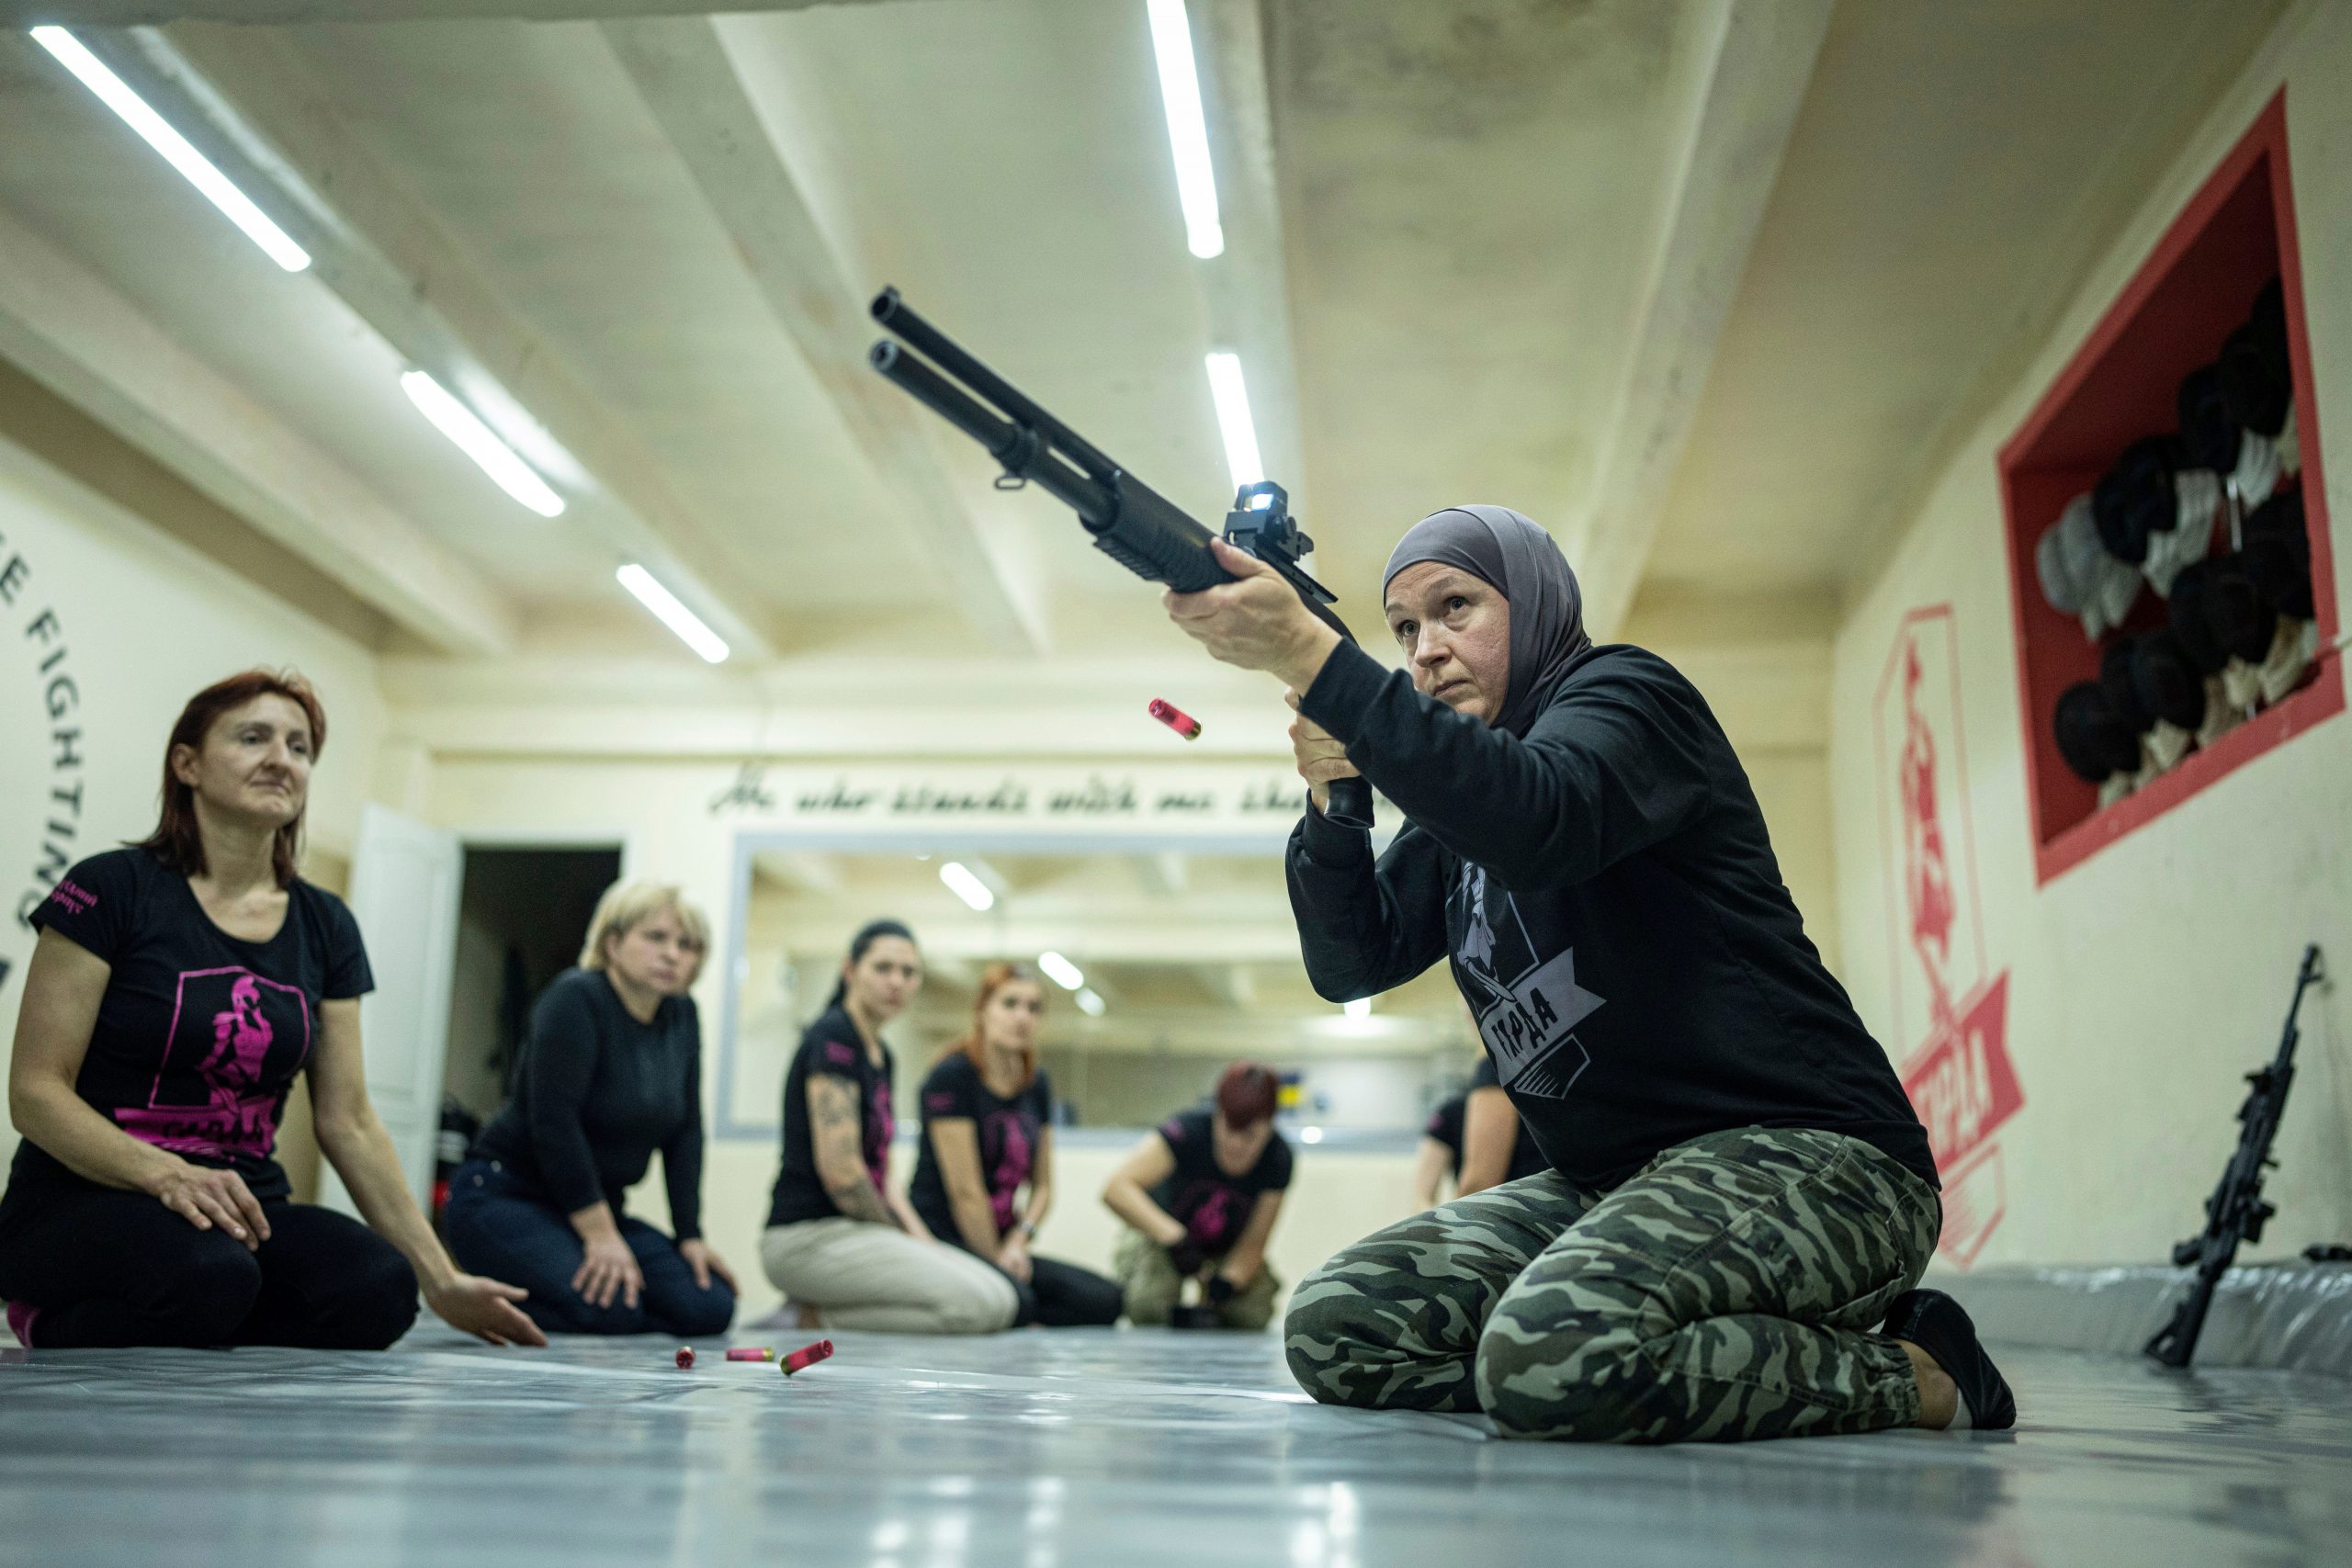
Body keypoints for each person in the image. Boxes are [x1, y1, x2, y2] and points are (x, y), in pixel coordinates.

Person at [1164, 507, 2014, 1442]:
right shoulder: (1465, 811)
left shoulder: (1627, 699)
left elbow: (1541, 819)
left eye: (1456, 608)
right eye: (1404, 629)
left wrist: (1308, 654)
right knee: (1342, 1328)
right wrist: (1336, 804)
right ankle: (1645, 1350)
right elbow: (1350, 964)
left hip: (1824, 1163)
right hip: (1613, 1184)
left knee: (1548, 1350)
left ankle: (1922, 1373)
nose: (1426, 650)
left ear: (1533, 605)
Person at [0, 671, 543, 1351]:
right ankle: (44, 1317)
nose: (280, 759)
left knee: (378, 1287)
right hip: (83, 1199)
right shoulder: (109, 889)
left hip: (242, 1209)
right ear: (187, 763)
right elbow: (35, 1092)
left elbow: (347, 1118)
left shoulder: (325, 924)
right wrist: (168, 1172)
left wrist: (441, 1275)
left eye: (299, 746)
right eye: (252, 737)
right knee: (211, 1275)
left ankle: (210, 1319)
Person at [441, 882, 736, 1337]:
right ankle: (472, 1305)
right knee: (609, 1308)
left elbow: (686, 1132)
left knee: (708, 1306)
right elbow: (554, 1123)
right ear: (613, 944)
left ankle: (618, 1310)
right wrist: (600, 1235)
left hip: (598, 1208)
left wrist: (690, 1235)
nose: (673, 954)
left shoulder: (682, 1015)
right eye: (656, 937)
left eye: (687, 945)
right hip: (506, 1195)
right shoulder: (576, 998)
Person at [760, 920, 1017, 1334]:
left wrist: (921, 1241)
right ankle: (806, 1318)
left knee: (1003, 1298)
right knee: (975, 1308)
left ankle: (813, 1311)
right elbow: (842, 1171)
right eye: (882, 968)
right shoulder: (833, 1038)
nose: (896, 981)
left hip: (857, 1232)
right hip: (807, 1237)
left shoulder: (882, 1054)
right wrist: (896, 1237)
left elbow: (885, 1176)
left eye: (908, 972)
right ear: (850, 971)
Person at [907, 963, 1123, 1327]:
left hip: (1007, 1243)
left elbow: (1044, 1188)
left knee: (1107, 1301)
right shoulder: (952, 1077)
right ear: (982, 1010)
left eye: (1033, 1008)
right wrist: (996, 1262)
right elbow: (966, 1192)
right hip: (947, 1239)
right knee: (1015, 1300)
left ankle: (1016, 1308)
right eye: (1010, 1004)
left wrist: (1018, 1243)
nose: (1022, 1017)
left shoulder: (1036, 1083)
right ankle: (1012, 1306)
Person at [1102, 1063, 1291, 1330]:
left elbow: (1254, 1241)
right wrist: (1174, 1237)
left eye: (1249, 1135)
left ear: (1269, 1126)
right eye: (1229, 1129)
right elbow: (1116, 1189)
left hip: (1226, 1249)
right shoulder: (1187, 1132)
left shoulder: (1278, 1158)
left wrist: (1225, 1284)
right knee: (1148, 1305)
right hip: (1162, 1238)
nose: (1235, 1144)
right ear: (1217, 1114)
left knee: (1251, 1314)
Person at [1413, 1054, 1546, 1209]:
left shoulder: (1496, 1067)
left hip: (1504, 1218)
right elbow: (1422, 1196)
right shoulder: (1450, 1113)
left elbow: (1479, 1183)